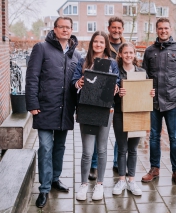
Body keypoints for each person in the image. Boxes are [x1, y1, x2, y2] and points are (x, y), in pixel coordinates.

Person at [25, 17, 81, 208]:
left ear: (72, 30)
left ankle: (55, 179)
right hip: (45, 108)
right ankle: (44, 189)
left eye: (68, 27)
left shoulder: (77, 55)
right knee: (46, 148)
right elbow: (32, 77)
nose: (65, 30)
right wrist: (32, 103)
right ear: (55, 29)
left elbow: (78, 83)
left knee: (60, 148)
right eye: (61, 27)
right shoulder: (41, 48)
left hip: (65, 109)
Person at [141, 18, 176, 188]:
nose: (163, 31)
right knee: (154, 137)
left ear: (171, 29)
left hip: (172, 102)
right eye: (160, 28)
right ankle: (154, 169)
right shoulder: (149, 51)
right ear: (156, 30)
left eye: (166, 28)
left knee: (174, 138)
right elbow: (144, 77)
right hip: (153, 103)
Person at [73, 31, 119, 201]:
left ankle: (99, 184)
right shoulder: (83, 62)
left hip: (105, 110)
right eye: (96, 41)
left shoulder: (112, 64)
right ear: (92, 43)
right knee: (86, 152)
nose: (98, 45)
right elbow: (74, 80)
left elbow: (118, 81)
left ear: (106, 44)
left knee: (102, 150)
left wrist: (115, 88)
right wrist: (78, 83)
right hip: (86, 109)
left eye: (102, 42)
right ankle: (84, 184)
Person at [112, 42, 155, 196]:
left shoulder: (142, 72)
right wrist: (118, 94)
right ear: (121, 54)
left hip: (138, 114)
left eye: (131, 52)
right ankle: (121, 180)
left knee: (133, 149)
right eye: (125, 53)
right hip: (120, 114)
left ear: (134, 54)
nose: (128, 55)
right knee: (122, 149)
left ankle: (132, 180)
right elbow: (110, 95)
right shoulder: (116, 72)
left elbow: (145, 92)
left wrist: (150, 94)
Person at [88, 16, 126, 180]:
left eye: (119, 28)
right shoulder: (102, 45)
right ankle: (94, 164)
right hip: (103, 99)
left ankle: (118, 162)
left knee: (120, 134)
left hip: (122, 97)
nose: (116, 30)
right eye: (114, 27)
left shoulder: (125, 46)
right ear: (109, 28)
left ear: (122, 29)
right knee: (99, 133)